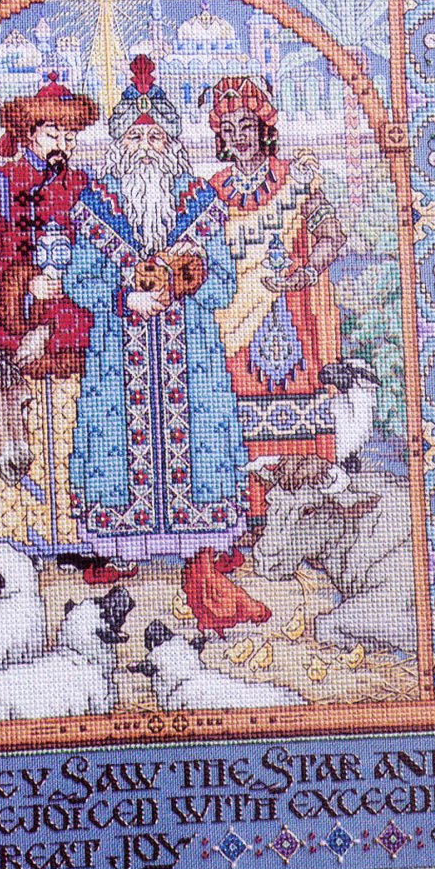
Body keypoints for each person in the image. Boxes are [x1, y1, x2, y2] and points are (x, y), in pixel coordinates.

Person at [64, 58, 250, 567]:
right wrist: (125, 298)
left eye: (155, 139)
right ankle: (119, 549)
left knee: (204, 438)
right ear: (120, 146)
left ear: (171, 145)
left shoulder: (200, 202)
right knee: (113, 444)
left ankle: (207, 545)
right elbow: (79, 279)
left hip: (192, 353)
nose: (146, 148)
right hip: (117, 353)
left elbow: (224, 284)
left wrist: (188, 281)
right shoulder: (98, 202)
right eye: (136, 139)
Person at [0, 71, 98, 554]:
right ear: (28, 133)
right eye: (53, 133)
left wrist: (78, 277)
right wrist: (23, 281)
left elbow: (102, 250)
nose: (63, 144)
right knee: (17, 431)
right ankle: (14, 543)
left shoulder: (86, 188)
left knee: (76, 433)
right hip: (14, 334)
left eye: (70, 135)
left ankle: (81, 537)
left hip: (74, 332)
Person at [205, 74, 346, 518]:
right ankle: (249, 514)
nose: (239, 137)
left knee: (302, 404)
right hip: (236, 323)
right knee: (239, 406)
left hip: (294, 315)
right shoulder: (213, 190)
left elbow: (332, 234)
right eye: (229, 129)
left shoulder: (294, 179)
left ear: (264, 127)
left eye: (246, 126)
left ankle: (309, 513)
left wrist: (306, 271)